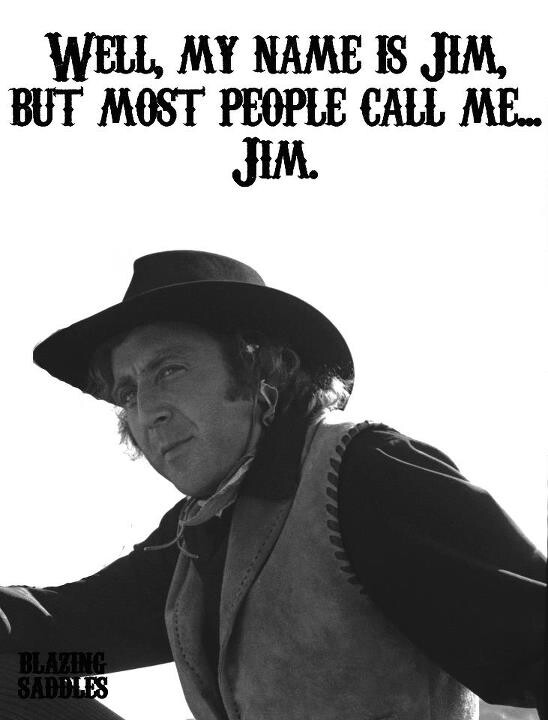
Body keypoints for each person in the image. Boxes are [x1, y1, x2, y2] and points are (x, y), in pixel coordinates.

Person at [0, 250, 545, 720]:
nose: (148, 411)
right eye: (127, 393)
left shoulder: (366, 473)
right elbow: (63, 630)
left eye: (170, 370)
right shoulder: (196, 534)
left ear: (263, 367)